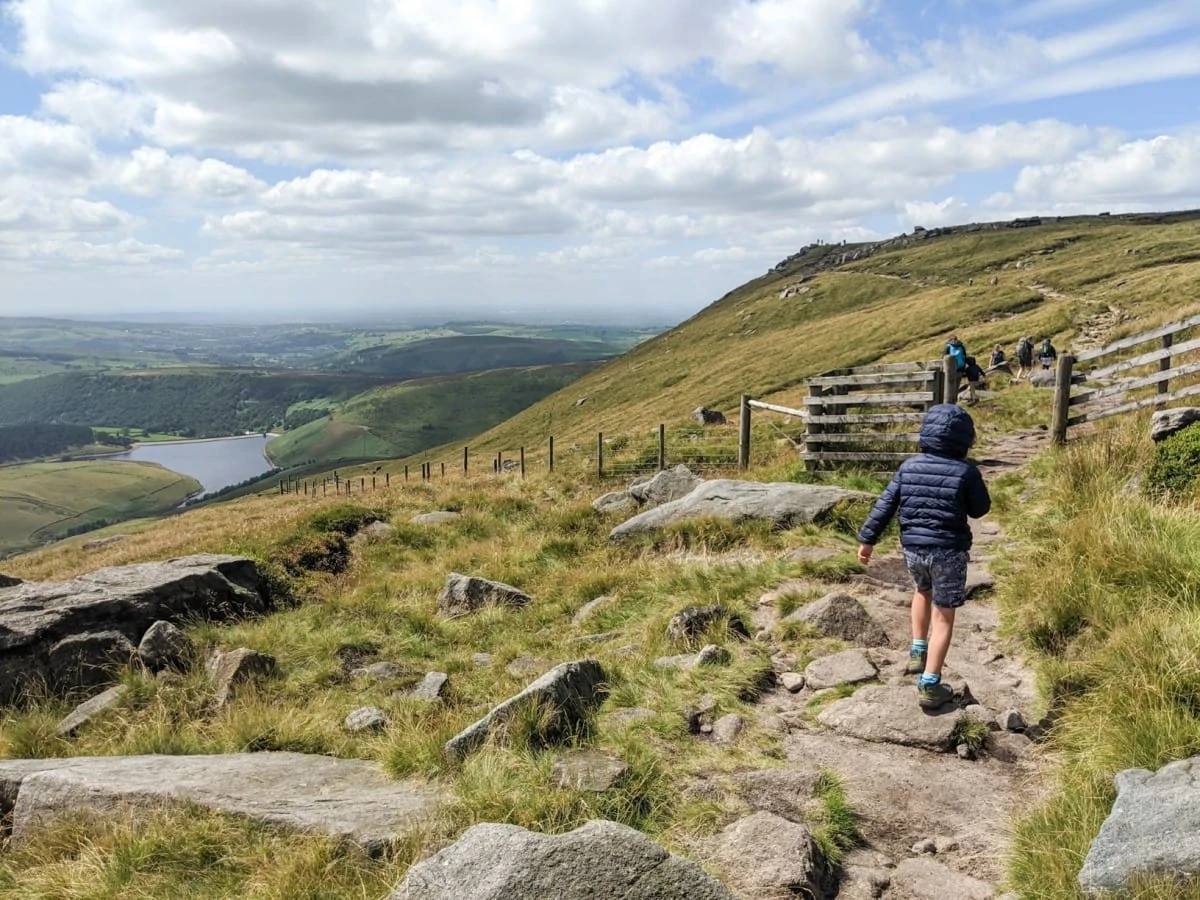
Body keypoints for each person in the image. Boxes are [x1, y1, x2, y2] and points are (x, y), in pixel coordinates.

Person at [856, 405, 991, 710]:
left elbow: (885, 504)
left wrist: (867, 540)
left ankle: (918, 650)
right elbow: (980, 509)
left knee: (921, 591)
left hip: (914, 549)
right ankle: (930, 684)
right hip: (949, 553)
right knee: (944, 615)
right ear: (965, 440)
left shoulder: (909, 467)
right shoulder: (966, 471)